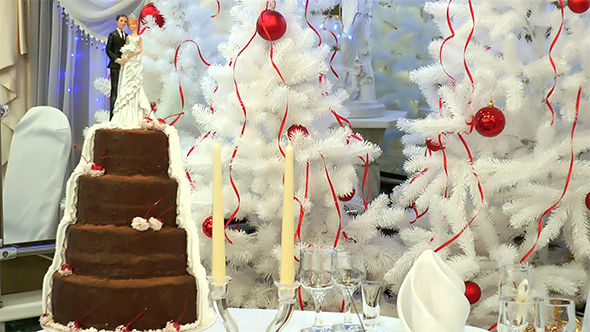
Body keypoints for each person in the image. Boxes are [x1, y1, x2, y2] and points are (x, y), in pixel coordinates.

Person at [111, 16, 150, 126]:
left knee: (136, 82)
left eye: (133, 24)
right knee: (127, 82)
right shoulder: (127, 37)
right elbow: (125, 48)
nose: (131, 26)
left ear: (136, 25)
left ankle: (137, 110)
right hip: (129, 61)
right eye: (130, 24)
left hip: (135, 60)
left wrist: (134, 53)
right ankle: (125, 109)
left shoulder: (139, 37)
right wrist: (126, 55)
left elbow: (140, 48)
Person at [106, 14, 128, 119]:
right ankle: (112, 116)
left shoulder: (126, 35)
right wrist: (116, 59)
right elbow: (108, 50)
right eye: (121, 21)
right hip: (115, 66)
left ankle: (121, 115)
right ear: (117, 21)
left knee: (122, 89)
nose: (123, 23)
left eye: (125, 21)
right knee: (114, 89)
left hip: (125, 66)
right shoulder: (113, 35)